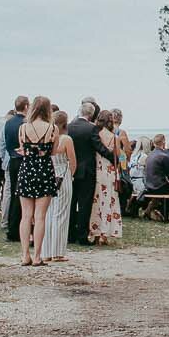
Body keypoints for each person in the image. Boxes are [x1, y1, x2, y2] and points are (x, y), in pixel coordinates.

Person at [10, 96, 57, 265]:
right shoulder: (52, 128)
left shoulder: (23, 128)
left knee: (26, 215)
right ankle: (37, 256)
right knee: (40, 217)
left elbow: (22, 149)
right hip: (44, 170)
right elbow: (53, 151)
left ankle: (25, 255)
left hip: (27, 169)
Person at [66, 100, 105, 246]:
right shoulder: (92, 128)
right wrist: (112, 157)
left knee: (71, 203)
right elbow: (99, 147)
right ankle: (82, 235)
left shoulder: (69, 127)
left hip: (71, 170)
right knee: (84, 204)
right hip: (87, 171)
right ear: (92, 114)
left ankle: (70, 234)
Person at [43, 108, 75, 262]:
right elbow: (73, 162)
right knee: (61, 214)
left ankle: (47, 251)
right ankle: (58, 252)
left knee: (48, 214)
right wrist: (71, 175)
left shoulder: (46, 138)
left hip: (49, 176)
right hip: (63, 175)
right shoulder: (66, 139)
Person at [88, 108, 124, 245]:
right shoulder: (114, 137)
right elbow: (119, 156)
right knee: (109, 201)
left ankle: (96, 232)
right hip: (109, 171)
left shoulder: (96, 135)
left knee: (97, 202)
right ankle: (105, 234)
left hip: (98, 169)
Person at [2, 96, 29, 243]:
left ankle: (12, 228)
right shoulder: (25, 124)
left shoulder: (8, 122)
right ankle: (17, 229)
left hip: (12, 160)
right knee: (22, 196)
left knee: (13, 194)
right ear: (25, 106)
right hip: (22, 160)